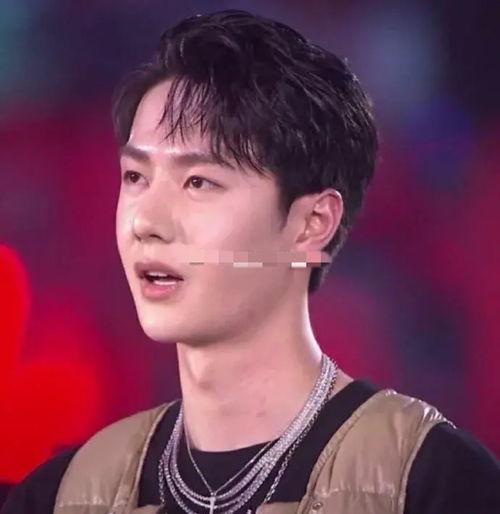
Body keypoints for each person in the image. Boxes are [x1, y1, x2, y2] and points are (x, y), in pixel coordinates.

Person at [2, 9, 499, 514]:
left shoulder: (431, 482)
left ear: (312, 223)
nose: (146, 221)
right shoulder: (63, 495)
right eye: (136, 178)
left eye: (199, 182)